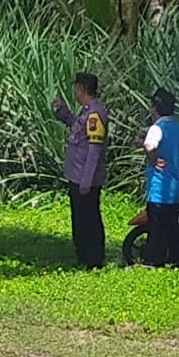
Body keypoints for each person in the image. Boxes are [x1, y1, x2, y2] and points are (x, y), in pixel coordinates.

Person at [51, 72, 110, 267]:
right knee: (80, 217)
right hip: (77, 176)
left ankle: (93, 258)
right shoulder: (86, 112)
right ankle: (83, 255)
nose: (74, 91)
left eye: (75, 87)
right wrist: (63, 113)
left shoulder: (94, 115)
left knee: (89, 219)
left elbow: (94, 151)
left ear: (82, 89)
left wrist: (86, 181)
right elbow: (78, 128)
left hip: (85, 180)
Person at [136, 89, 179, 268]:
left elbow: (150, 145)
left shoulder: (157, 127)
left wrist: (153, 160)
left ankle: (154, 261)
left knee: (157, 230)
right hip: (175, 187)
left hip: (159, 189)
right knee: (172, 228)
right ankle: (175, 260)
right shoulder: (178, 128)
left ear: (154, 108)